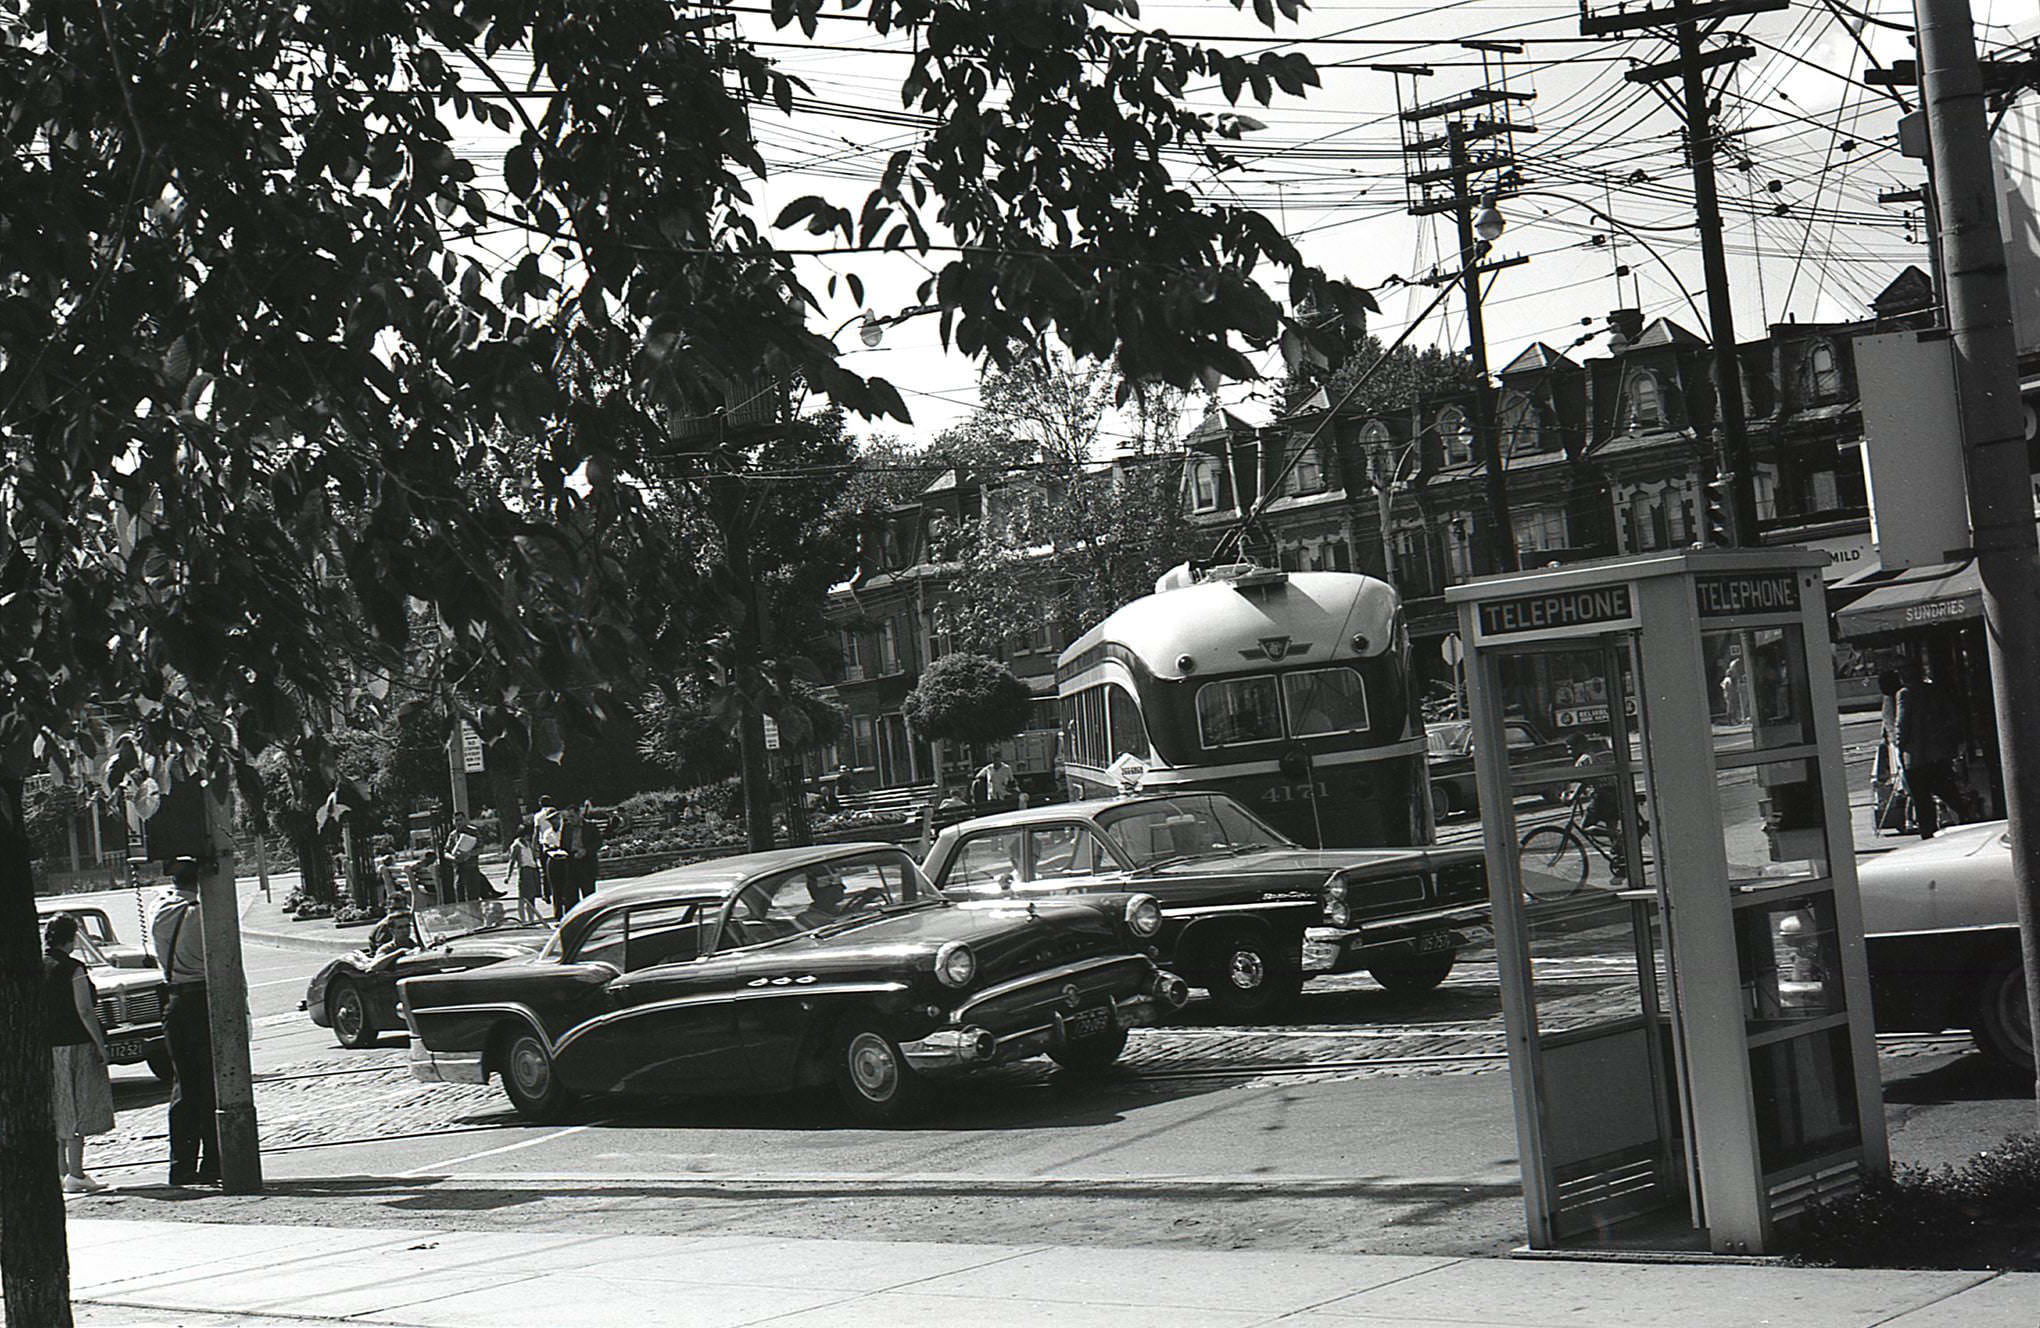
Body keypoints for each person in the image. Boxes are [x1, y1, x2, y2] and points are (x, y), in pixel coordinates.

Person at [149, 858, 219, 1186]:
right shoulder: (203, 915)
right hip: (204, 998)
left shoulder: (159, 911)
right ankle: (214, 1162)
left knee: (183, 1084)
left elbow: (163, 897)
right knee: (212, 1084)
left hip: (174, 1001)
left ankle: (181, 1163)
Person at [45, 914, 114, 1193]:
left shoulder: (36, 966)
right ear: (71, 938)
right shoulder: (74, 968)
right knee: (78, 1106)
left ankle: (62, 1172)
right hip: (76, 1044)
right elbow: (85, 1010)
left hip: (47, 1048)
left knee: (59, 1108)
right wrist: (101, 1045)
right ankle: (76, 1172)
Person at [1895, 666, 1962, 839]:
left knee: (1922, 800)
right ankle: (1964, 821)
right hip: (1939, 753)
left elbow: (1902, 724)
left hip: (1917, 756)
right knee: (1948, 792)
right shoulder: (1933, 691)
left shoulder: (1905, 694)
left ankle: (1928, 833)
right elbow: (1950, 717)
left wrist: (1899, 746)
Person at [504, 826, 544, 924]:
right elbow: (512, 861)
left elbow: (533, 857)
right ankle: (523, 920)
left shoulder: (528, 844)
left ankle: (531, 919)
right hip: (524, 870)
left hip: (533, 869)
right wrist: (508, 875)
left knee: (532, 897)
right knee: (523, 897)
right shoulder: (516, 845)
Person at [569, 802, 602, 908]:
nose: (570, 819)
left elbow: (598, 843)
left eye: (572, 816)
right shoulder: (567, 828)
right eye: (569, 817)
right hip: (572, 863)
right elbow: (563, 844)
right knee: (571, 897)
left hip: (587, 864)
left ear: (579, 814)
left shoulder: (590, 826)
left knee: (589, 896)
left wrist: (586, 851)